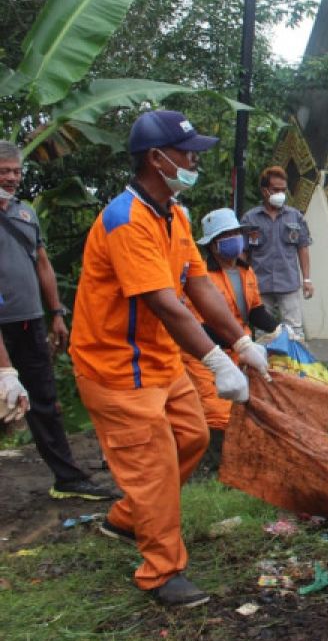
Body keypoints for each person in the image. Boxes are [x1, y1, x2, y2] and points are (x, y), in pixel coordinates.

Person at [69, 110, 272, 608]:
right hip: (117, 367)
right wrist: (216, 360)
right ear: (157, 159)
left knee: (193, 435)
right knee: (155, 466)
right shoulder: (125, 220)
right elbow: (161, 300)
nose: (194, 160)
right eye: (187, 153)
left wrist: (240, 343)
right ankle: (161, 571)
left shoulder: (174, 215)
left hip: (158, 358)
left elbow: (197, 284)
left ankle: (124, 518)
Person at [0, 141, 120, 500]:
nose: (11, 177)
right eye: (4, 170)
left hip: (29, 319)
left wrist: (56, 313)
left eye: (15, 171)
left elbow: (42, 263)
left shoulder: (25, 214)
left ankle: (67, 478)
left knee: (43, 399)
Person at [182, 208, 279, 437]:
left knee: (245, 402)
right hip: (209, 352)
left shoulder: (246, 272)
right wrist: (239, 342)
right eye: (225, 236)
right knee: (217, 408)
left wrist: (277, 328)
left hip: (239, 347)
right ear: (212, 245)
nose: (232, 240)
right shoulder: (201, 278)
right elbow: (199, 325)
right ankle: (216, 458)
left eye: (235, 233)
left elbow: (255, 310)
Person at [242, 165, 312, 339]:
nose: (280, 194)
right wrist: (243, 282)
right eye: (276, 190)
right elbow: (243, 253)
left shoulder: (295, 217)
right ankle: (262, 366)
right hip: (260, 284)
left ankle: (297, 365)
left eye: (283, 189)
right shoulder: (250, 218)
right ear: (265, 191)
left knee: (295, 331)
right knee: (262, 332)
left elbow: (303, 247)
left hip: (288, 282)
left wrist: (307, 279)